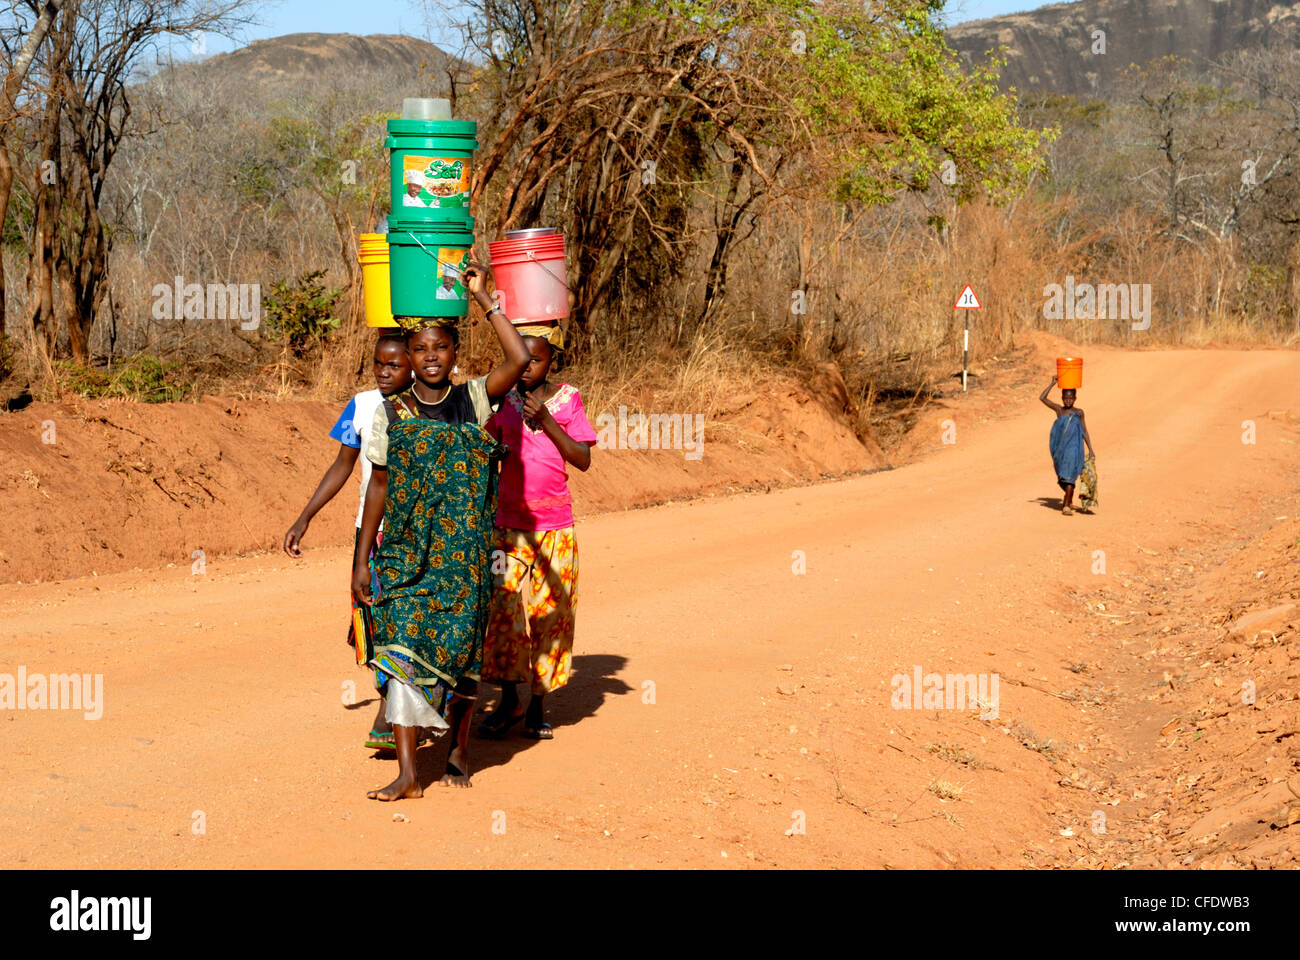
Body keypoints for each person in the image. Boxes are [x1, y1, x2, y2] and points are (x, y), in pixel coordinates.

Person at [353, 260, 530, 801]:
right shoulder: (390, 412)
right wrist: (362, 559)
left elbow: (520, 358)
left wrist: (485, 298)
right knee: (401, 647)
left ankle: (457, 748)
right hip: (406, 556)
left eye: (441, 348)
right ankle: (409, 773)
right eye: (421, 349)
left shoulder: (473, 401)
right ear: (407, 357)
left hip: (464, 560)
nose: (431, 357)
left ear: (454, 354)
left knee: (460, 658)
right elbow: (378, 485)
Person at [284, 332, 413, 750]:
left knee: (409, 617)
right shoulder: (361, 404)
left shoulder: (428, 405)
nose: (383, 372)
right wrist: (305, 517)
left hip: (415, 533)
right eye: (378, 363)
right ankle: (387, 700)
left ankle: (400, 706)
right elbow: (342, 466)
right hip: (371, 532)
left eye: (393, 365)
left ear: (412, 365)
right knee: (370, 617)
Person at [478, 325, 596, 741]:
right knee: (503, 612)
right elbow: (484, 453)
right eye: (521, 360)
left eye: (537, 360)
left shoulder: (568, 400)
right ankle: (508, 698)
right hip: (507, 527)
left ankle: (538, 703)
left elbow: (581, 458)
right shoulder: (501, 402)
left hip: (555, 528)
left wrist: (546, 421)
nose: (527, 368)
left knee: (551, 616)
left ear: (552, 361)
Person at [1040, 375, 1095, 515]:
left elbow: (1084, 431)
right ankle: (1068, 495)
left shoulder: (1079, 412)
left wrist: (1090, 448)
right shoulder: (1059, 410)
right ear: (1062, 398)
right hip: (1060, 450)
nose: (1068, 400)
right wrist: (1052, 383)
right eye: (1065, 398)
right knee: (1062, 478)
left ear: (1075, 398)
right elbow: (1042, 398)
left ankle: (1066, 505)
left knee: (1069, 476)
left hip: (1074, 449)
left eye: (1071, 398)